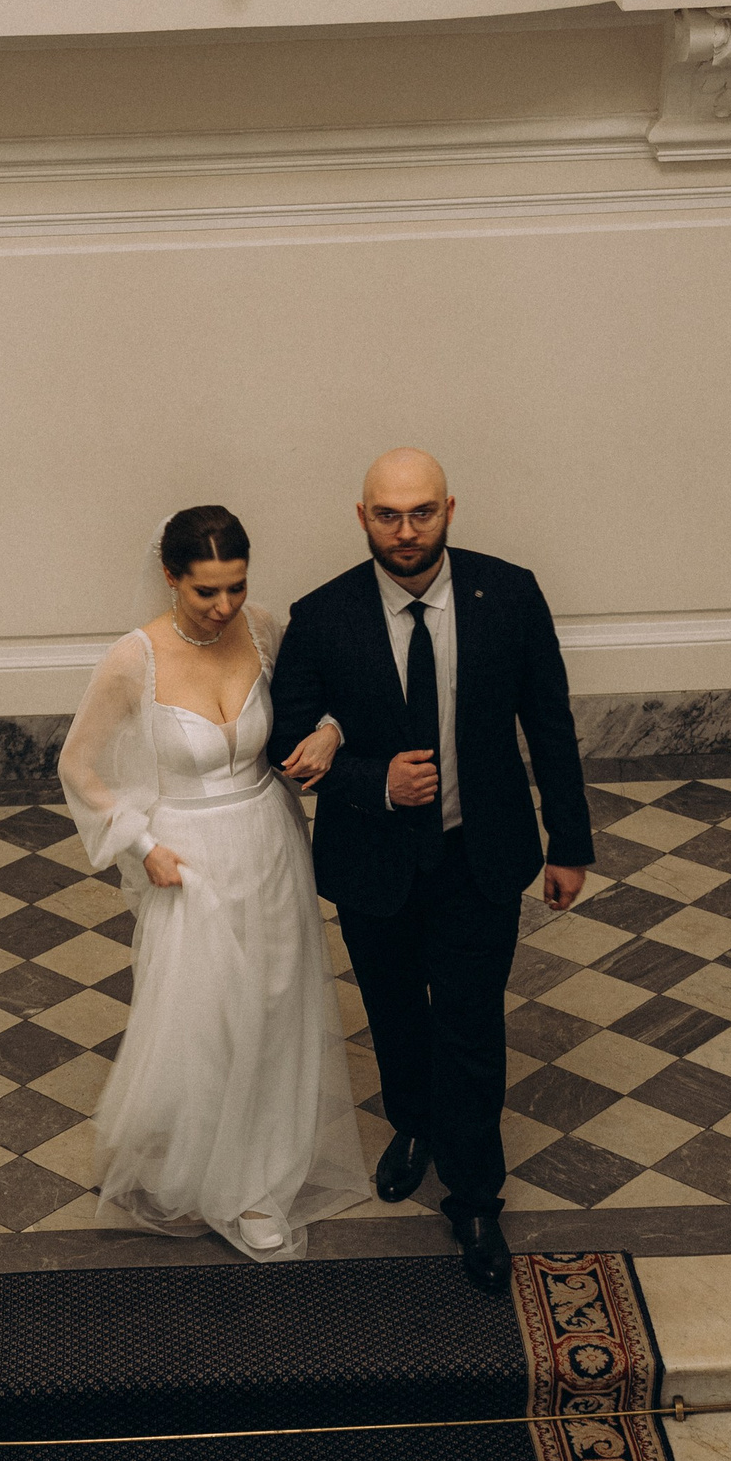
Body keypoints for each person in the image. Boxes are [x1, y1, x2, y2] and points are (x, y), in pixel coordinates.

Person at [267, 449, 594, 1294]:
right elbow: (285, 740)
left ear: (449, 510)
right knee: (393, 1014)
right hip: (372, 862)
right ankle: (412, 1125)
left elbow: (548, 723)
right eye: (388, 515)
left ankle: (476, 1198)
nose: (405, 531)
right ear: (362, 516)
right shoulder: (323, 614)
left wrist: (569, 842)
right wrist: (374, 780)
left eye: (421, 513)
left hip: (477, 857)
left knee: (470, 1024)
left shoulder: (509, 594)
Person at [59, 505, 368, 1261]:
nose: (224, 606)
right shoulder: (134, 660)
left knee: (275, 1005)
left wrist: (329, 731)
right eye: (206, 591)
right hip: (187, 858)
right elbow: (78, 766)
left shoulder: (263, 631)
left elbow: (324, 696)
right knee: (205, 1018)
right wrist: (141, 843)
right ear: (171, 577)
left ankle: (256, 1176)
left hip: (269, 841)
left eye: (236, 587)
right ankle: (210, 1172)